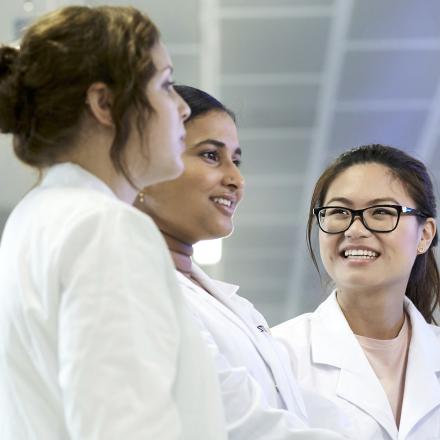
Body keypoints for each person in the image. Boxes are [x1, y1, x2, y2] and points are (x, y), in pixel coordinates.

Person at [0, 7, 226, 440]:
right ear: (105, 103)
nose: (181, 108)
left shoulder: (35, 219)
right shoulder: (105, 227)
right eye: (165, 85)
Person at [136, 85, 350, 440]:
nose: (236, 179)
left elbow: (296, 408)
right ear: (146, 163)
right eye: (209, 156)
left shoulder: (235, 307)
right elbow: (236, 422)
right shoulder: (141, 287)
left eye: (235, 160)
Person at [273, 144, 440, 440]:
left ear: (424, 235)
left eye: (380, 212)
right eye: (339, 211)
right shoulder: (277, 354)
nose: (355, 229)